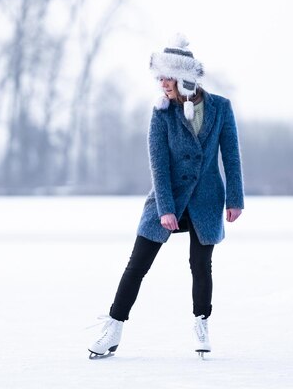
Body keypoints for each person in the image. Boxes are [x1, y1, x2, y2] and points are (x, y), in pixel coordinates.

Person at [88, 34, 244, 359]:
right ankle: (114, 327)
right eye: (159, 78)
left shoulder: (220, 108)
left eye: (166, 77)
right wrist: (165, 208)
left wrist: (235, 199)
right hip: (167, 198)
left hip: (205, 200)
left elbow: (231, 156)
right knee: (137, 265)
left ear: (185, 77)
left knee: (201, 265)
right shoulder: (161, 113)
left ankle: (202, 323)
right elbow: (157, 163)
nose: (162, 84)